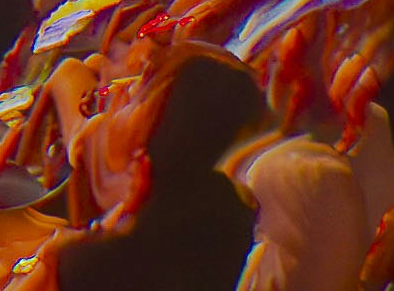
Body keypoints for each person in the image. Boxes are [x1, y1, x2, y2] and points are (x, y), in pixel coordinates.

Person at [34, 48, 265, 290]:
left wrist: (50, 261)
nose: (124, 93)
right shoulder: (228, 218)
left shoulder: (96, 264)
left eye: (139, 98)